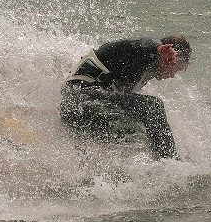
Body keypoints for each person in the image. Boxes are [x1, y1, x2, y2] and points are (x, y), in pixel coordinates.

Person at [59, 36, 191, 160]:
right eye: (175, 68)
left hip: (83, 112)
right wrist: (158, 49)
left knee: (138, 132)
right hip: (80, 102)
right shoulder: (143, 52)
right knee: (153, 106)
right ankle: (171, 162)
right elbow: (146, 42)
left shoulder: (142, 70)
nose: (173, 75)